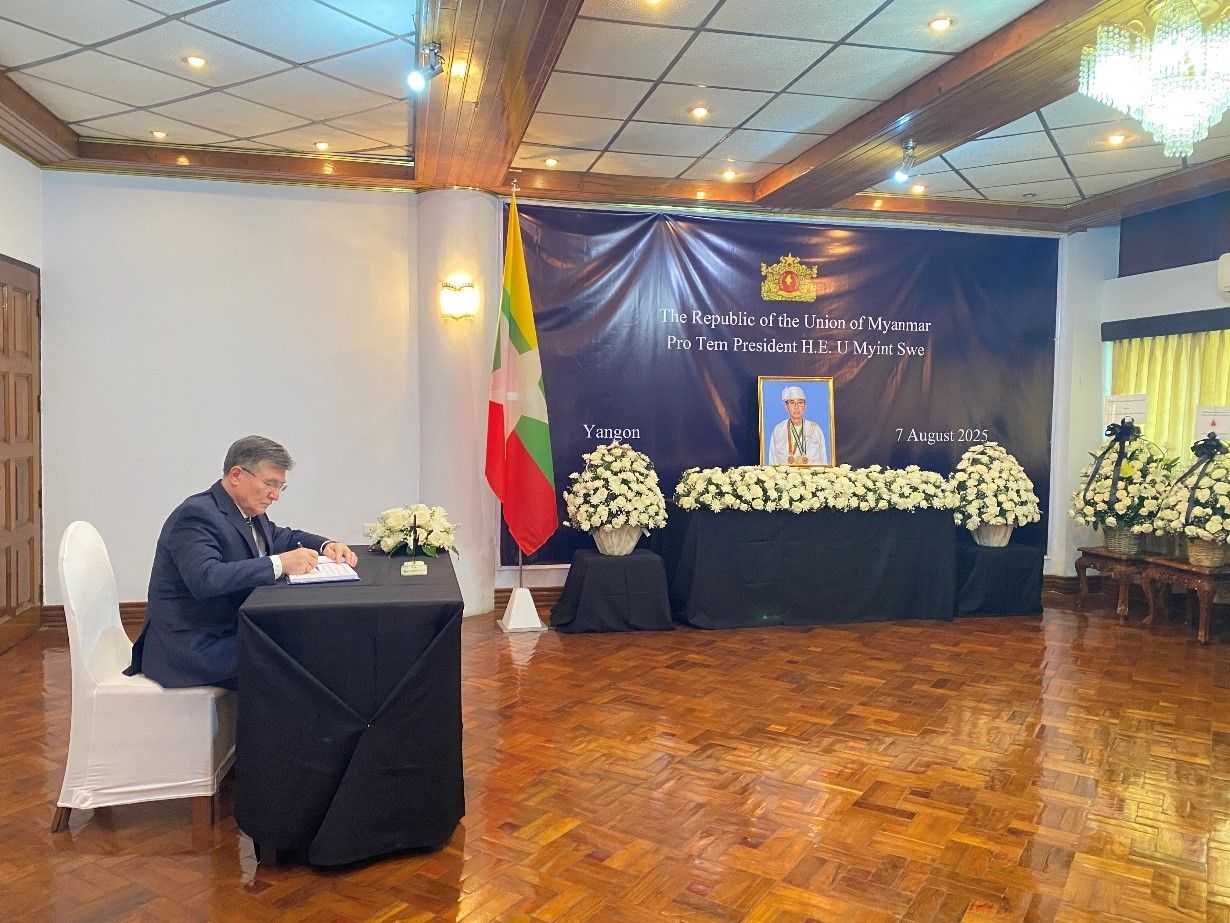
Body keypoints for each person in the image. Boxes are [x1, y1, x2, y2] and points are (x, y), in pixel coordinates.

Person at [126, 435, 358, 690]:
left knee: (308, 641)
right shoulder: (196, 515)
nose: (275, 496)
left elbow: (282, 537)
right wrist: (280, 564)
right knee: (296, 655)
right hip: (190, 647)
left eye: (280, 487)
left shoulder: (248, 512)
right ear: (237, 475)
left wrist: (326, 545)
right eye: (270, 484)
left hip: (225, 631)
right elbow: (206, 578)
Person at [768, 385, 829, 466]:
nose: (796, 407)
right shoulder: (778, 429)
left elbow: (823, 459)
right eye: (792, 403)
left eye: (800, 403)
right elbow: (773, 460)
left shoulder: (815, 429)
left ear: (805, 406)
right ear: (786, 407)